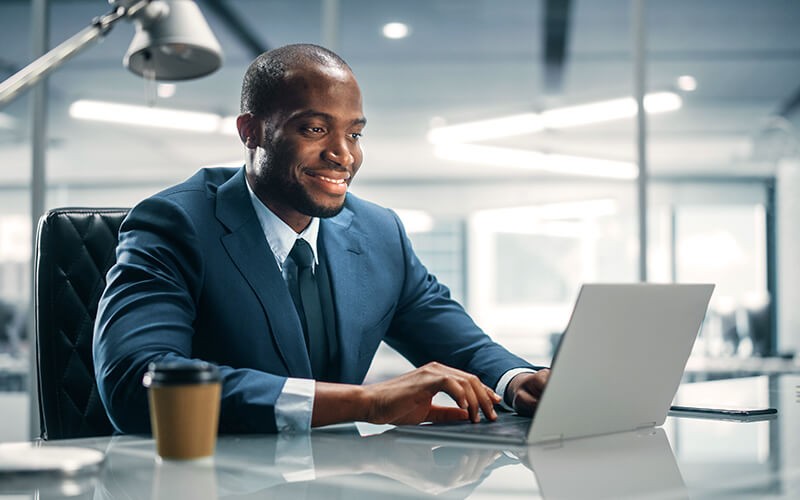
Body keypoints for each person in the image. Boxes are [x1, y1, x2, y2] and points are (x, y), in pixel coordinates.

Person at [93, 44, 550, 434]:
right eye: (315, 129)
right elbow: (138, 381)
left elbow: (460, 345)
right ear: (251, 131)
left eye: (354, 133)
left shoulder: (378, 232)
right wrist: (365, 403)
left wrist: (518, 380)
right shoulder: (175, 223)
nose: (343, 154)